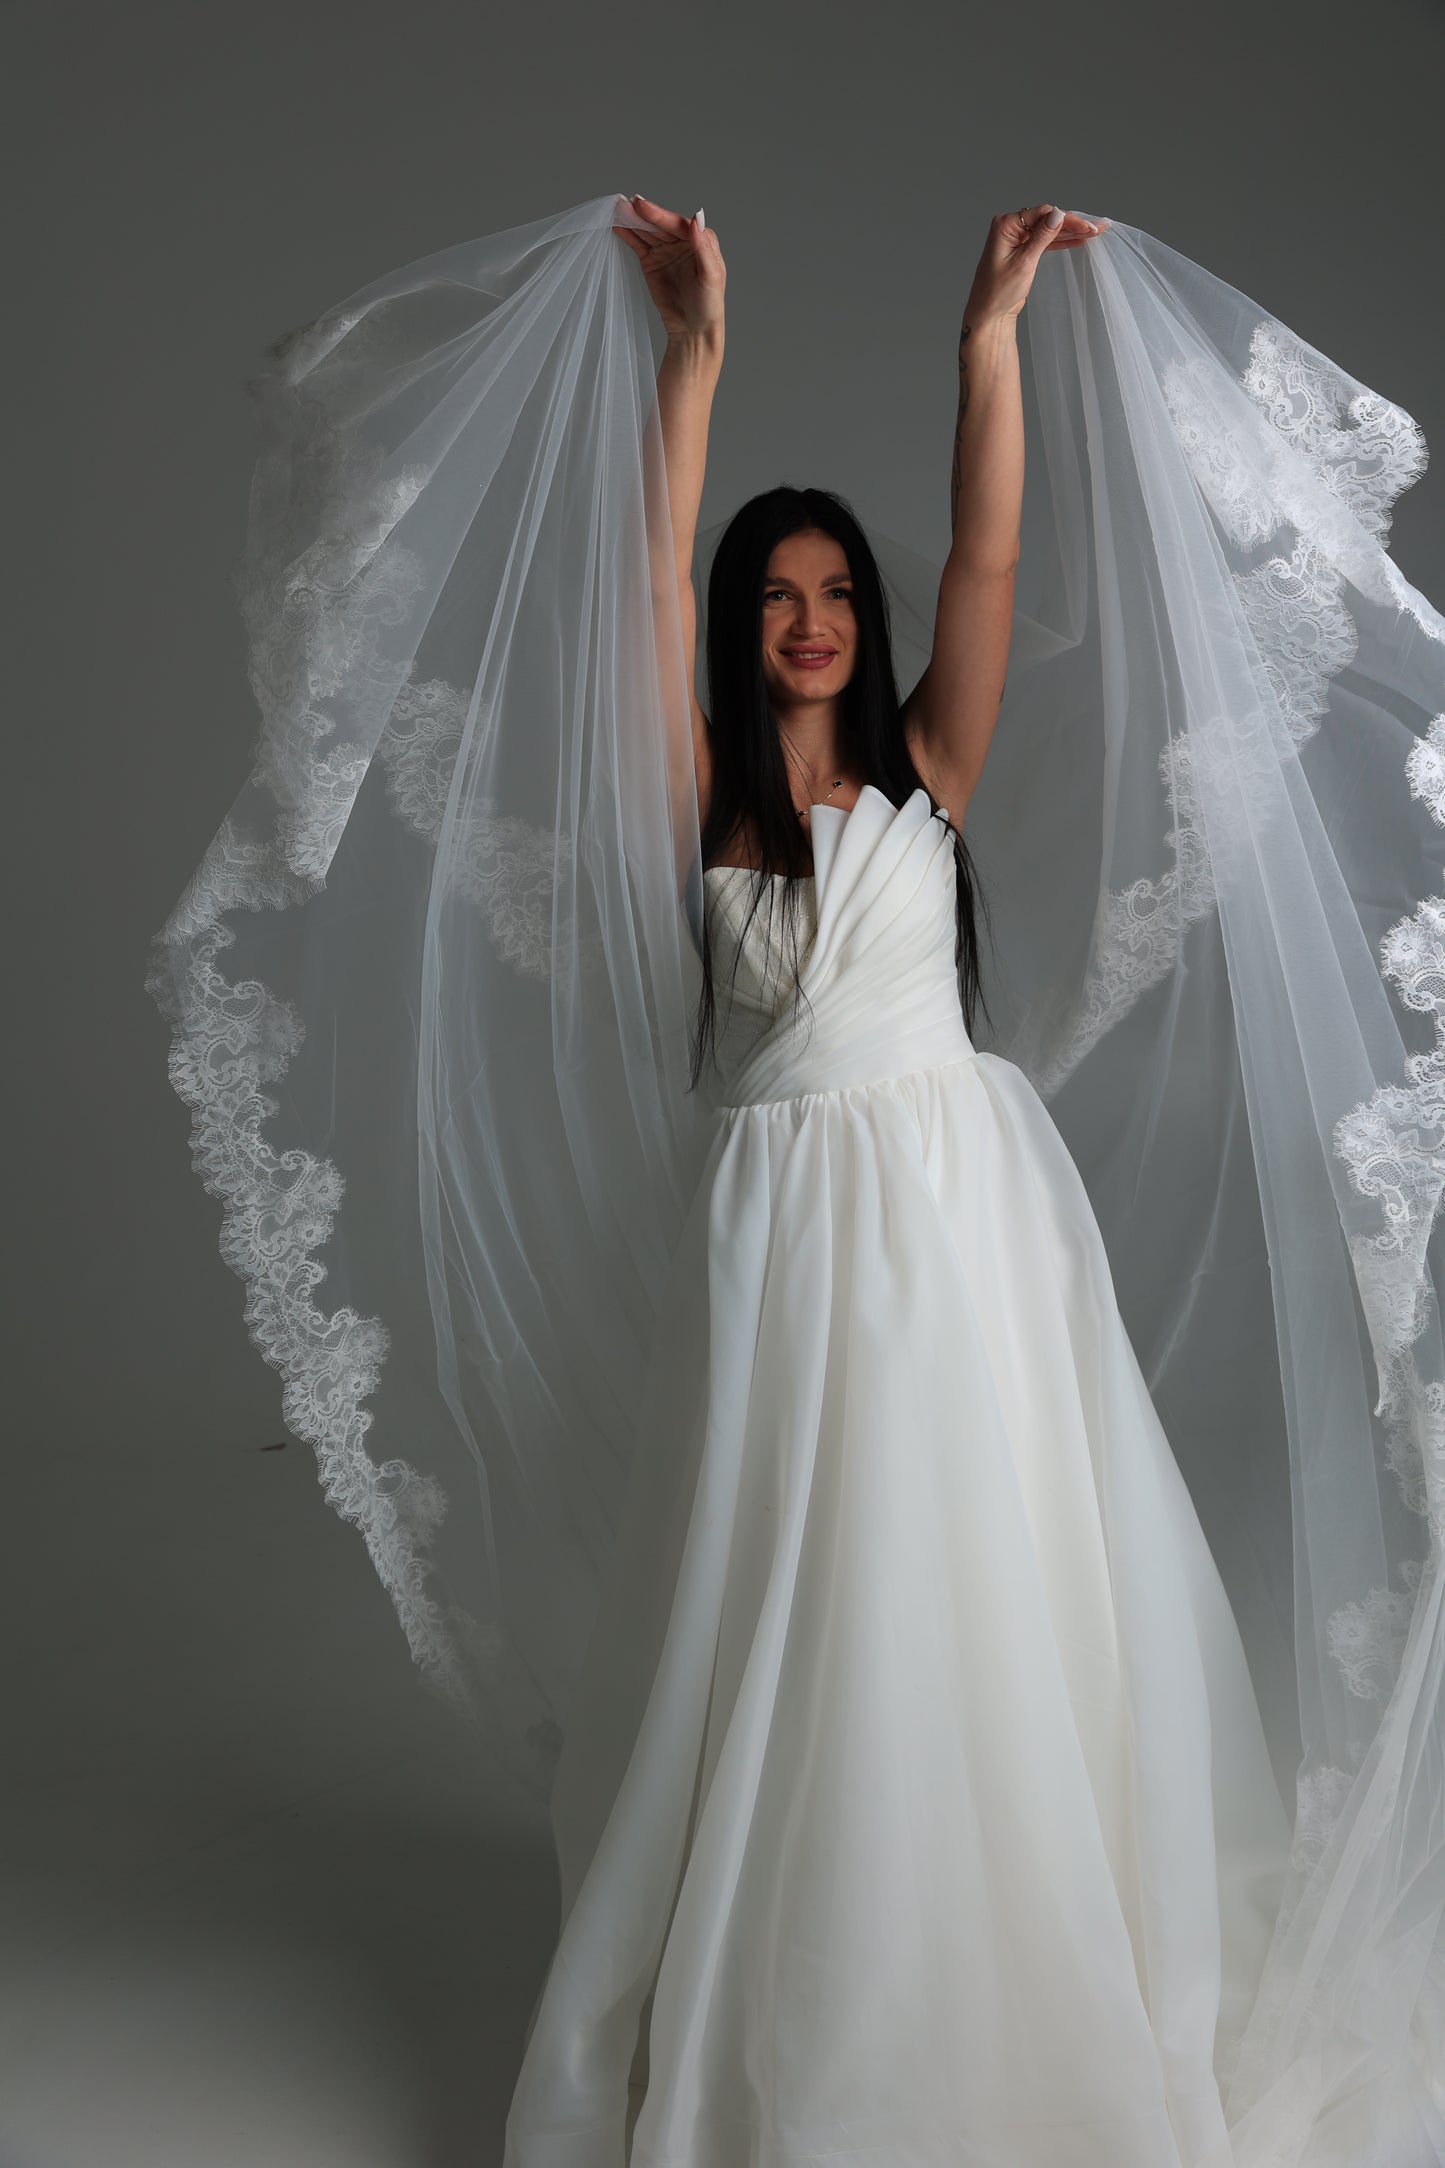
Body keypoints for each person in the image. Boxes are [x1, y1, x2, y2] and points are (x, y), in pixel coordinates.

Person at [499, 196, 1294, 2168]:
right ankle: (807, 1958)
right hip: (783, 1236)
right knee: (799, 1587)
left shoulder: (931, 766)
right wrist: (693, 353)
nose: (807, 618)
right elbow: (637, 591)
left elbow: (998, 548)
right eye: (775, 593)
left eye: (831, 586)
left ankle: (994, 1950)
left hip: (956, 1217)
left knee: (967, 1577)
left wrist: (989, 340)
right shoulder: (701, 800)